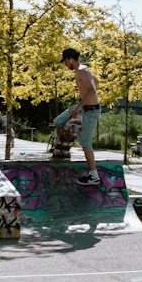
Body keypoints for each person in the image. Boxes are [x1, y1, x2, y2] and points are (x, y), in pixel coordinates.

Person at [55, 48, 102, 184]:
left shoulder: (82, 71)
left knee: (85, 142)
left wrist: (79, 107)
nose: (65, 65)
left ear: (70, 59)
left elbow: (93, 90)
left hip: (90, 111)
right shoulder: (83, 70)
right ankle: (64, 151)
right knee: (59, 121)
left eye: (65, 62)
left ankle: (94, 176)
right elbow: (97, 81)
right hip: (83, 106)